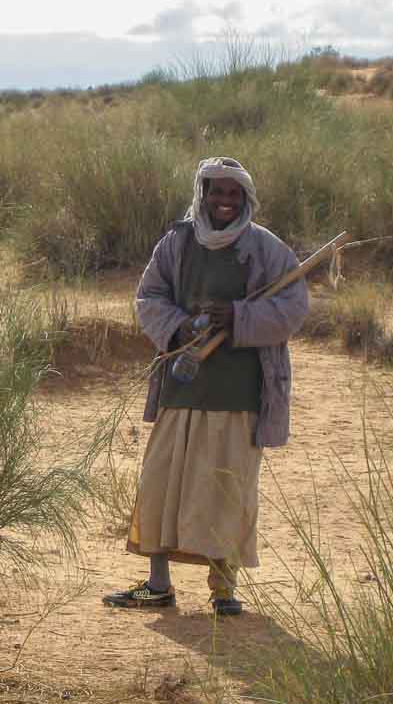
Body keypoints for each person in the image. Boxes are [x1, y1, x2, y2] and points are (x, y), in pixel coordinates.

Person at [103, 157, 308, 617]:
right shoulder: (176, 242)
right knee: (161, 482)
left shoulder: (266, 249)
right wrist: (179, 329)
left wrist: (238, 317)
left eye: (234, 195)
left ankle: (224, 590)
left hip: (238, 393)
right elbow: (149, 297)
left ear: (246, 200)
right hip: (181, 385)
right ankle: (158, 584)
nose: (225, 203)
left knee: (227, 489)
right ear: (203, 193)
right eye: (217, 192)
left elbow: (294, 308)